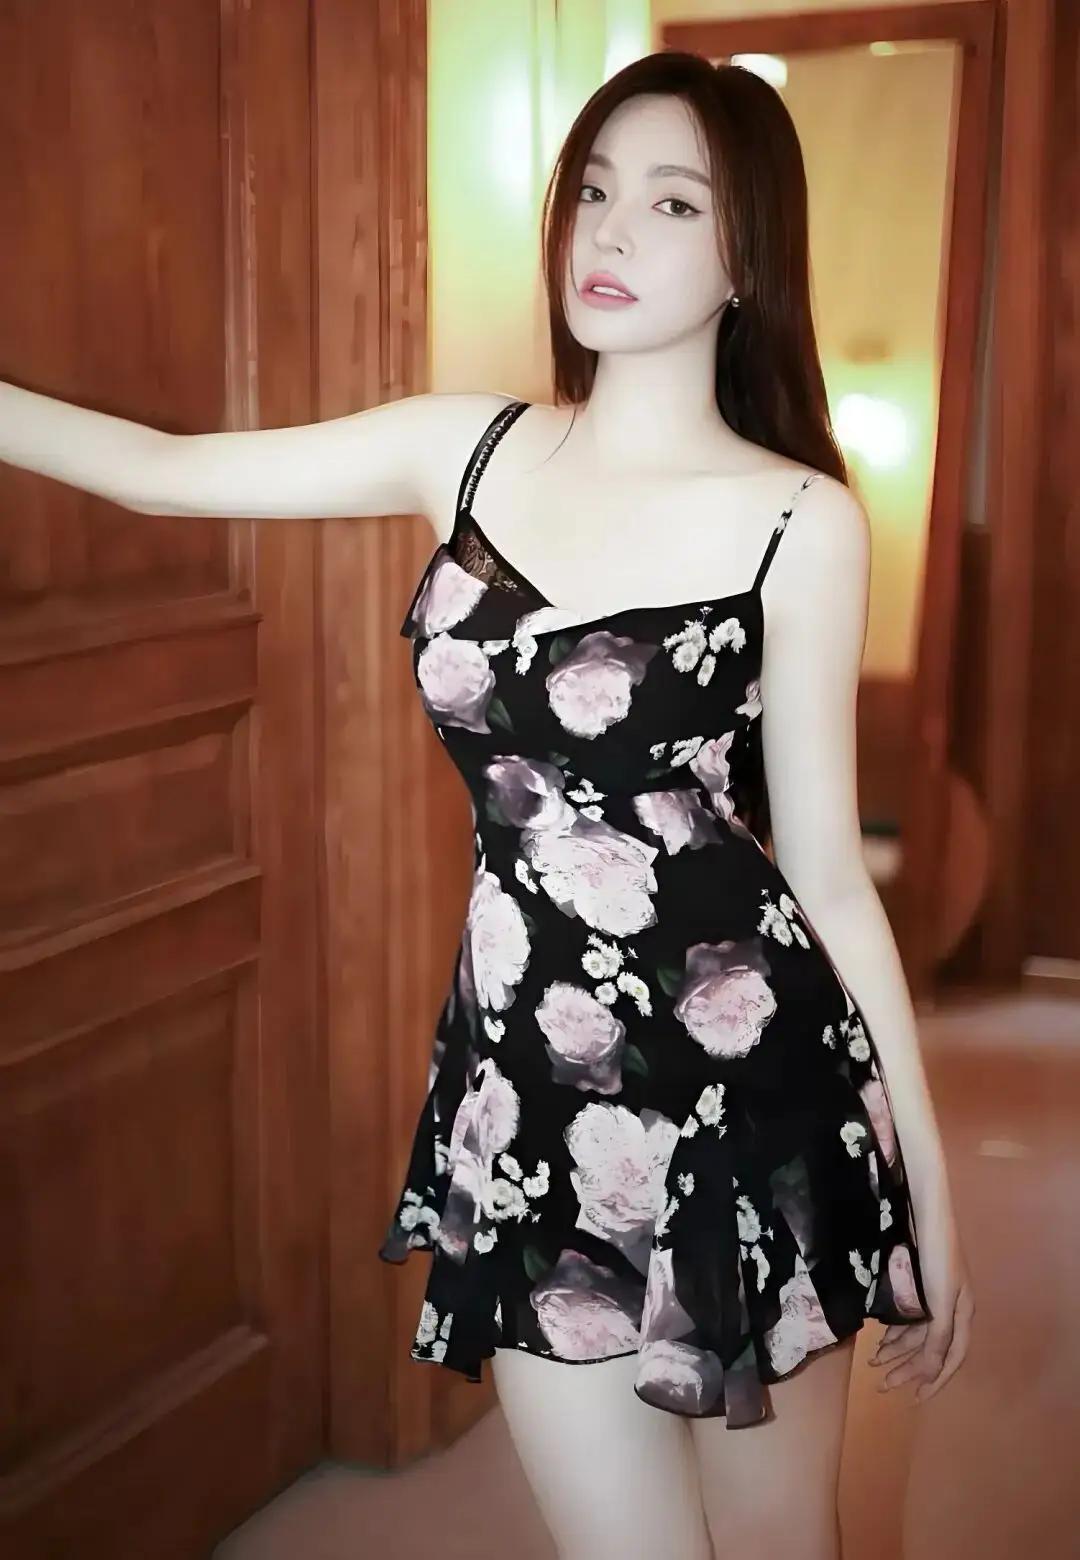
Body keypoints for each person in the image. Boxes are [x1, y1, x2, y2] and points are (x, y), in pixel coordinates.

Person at [1, 47, 972, 1560]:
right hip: (526, 1093)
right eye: (596, 192)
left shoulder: (801, 521)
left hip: (753, 1094)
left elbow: (833, 883)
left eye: (672, 203)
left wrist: (929, 1191)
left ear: (747, 260)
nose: (611, 232)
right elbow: (159, 471)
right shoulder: (463, 448)